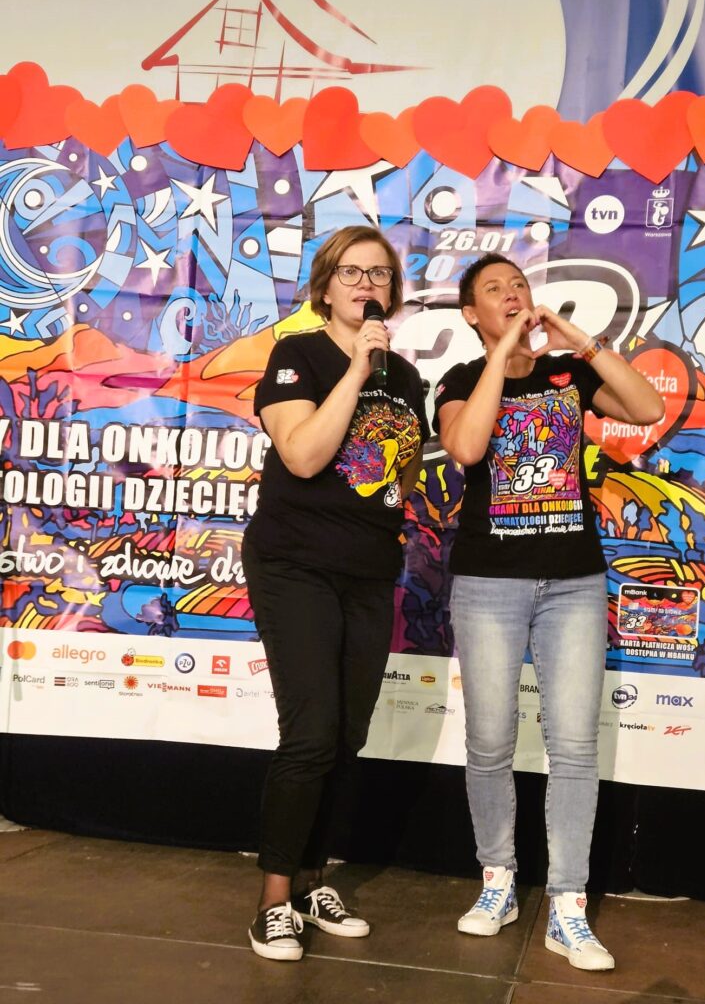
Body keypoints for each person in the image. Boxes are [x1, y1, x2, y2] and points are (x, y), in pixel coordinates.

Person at [435, 253, 664, 971]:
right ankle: (497, 879)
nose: (513, 295)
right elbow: (467, 445)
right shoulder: (461, 381)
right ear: (471, 313)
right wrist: (503, 352)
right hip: (489, 584)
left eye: (519, 285)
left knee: (573, 745)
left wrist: (582, 342)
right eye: (494, 290)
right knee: (489, 740)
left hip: (573, 584)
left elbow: (647, 409)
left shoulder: (570, 374)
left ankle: (568, 903)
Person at [241, 225, 429, 962]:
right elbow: (303, 454)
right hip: (295, 565)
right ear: (325, 286)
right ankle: (273, 901)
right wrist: (356, 369)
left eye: (379, 274)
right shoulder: (299, 356)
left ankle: (314, 881)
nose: (366, 285)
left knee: (348, 734)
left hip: (367, 570)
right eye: (351, 272)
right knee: (312, 731)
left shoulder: (405, 377)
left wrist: (391, 522)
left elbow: (402, 470)